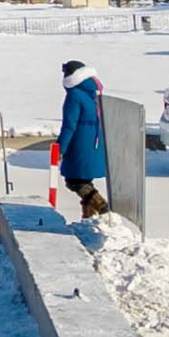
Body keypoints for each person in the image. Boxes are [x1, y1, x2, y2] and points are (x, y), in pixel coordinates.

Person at [56, 60, 110, 219]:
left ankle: (101, 205)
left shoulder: (74, 96)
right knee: (85, 181)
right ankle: (89, 218)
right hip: (94, 142)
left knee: (74, 181)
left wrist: (60, 148)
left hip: (80, 145)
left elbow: (69, 125)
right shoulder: (93, 93)